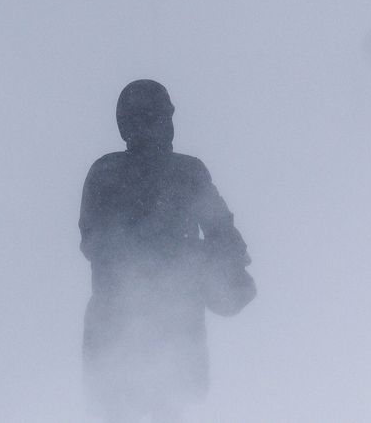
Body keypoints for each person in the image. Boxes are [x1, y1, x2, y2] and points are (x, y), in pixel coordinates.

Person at [79, 80, 254, 422]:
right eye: (162, 116)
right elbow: (228, 241)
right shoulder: (186, 173)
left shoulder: (105, 173)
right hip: (156, 333)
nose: (168, 126)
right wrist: (195, 258)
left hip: (123, 336)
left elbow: (92, 242)